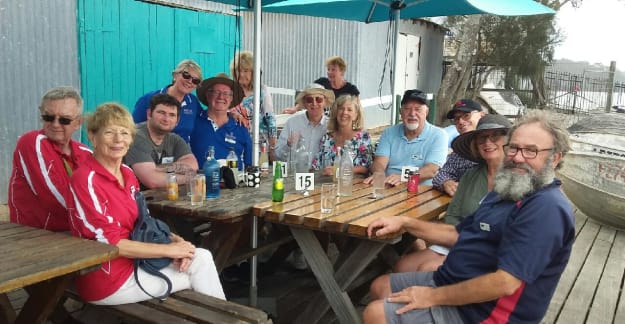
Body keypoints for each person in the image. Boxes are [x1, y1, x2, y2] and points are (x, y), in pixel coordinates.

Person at [364, 111, 574, 324]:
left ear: (555, 158)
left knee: (376, 314)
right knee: (380, 286)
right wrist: (405, 222)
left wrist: (432, 296)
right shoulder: (507, 188)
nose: (518, 157)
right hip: (452, 278)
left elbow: (505, 282)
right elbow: (457, 233)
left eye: (531, 151)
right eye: (514, 148)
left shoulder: (546, 207)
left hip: (482, 311)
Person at [69, 102, 225, 305]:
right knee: (200, 269)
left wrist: (176, 243)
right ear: (92, 136)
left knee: (199, 257)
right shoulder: (86, 179)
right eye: (109, 133)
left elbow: (145, 222)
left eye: (124, 133)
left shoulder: (127, 173)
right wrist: (169, 251)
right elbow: (108, 243)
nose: (118, 140)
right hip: (109, 280)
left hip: (139, 263)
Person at [394, 114, 511, 273]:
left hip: (491, 249)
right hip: (458, 239)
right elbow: (452, 216)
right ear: (475, 144)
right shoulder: (471, 175)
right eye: (482, 137)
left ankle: (426, 295)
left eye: (495, 136)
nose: (487, 142)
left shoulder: (518, 180)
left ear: (509, 142)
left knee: (427, 268)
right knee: (402, 266)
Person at [8, 86, 92, 231]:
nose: (55, 124)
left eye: (64, 120)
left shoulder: (85, 152)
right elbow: (55, 198)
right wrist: (98, 216)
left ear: (78, 123)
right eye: (48, 117)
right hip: (36, 235)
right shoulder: (32, 142)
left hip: (78, 229)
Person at [364, 89, 447, 186]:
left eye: (418, 109)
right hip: (389, 187)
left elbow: (431, 170)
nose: (412, 114)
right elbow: (379, 162)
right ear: (400, 112)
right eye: (407, 109)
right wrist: (379, 174)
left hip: (422, 191)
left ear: (427, 112)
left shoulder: (439, 135)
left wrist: (402, 177)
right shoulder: (389, 133)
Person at [125, 94, 198, 189]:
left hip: (160, 198)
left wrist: (157, 169)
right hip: (132, 199)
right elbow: (152, 181)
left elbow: (193, 166)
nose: (166, 119)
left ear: (177, 120)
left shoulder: (174, 139)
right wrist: (188, 178)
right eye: (161, 113)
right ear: (149, 114)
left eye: (172, 115)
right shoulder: (136, 136)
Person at [133, 59, 202, 143]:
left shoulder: (193, 102)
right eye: (186, 75)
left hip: (181, 152)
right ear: (175, 75)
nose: (190, 81)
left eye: (195, 80)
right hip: (151, 150)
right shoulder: (149, 99)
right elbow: (133, 129)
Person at [190, 74, 251, 168]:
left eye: (226, 93)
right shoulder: (193, 122)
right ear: (207, 95)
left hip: (234, 181)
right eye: (216, 92)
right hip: (200, 181)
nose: (221, 97)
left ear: (231, 98)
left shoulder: (240, 126)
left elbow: (250, 164)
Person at [432, 99, 485, 196]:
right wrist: (447, 183)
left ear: (482, 115)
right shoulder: (460, 150)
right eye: (456, 119)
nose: (460, 121)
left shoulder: (494, 146)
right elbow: (441, 175)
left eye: (466, 115)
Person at [274, 83, 335, 169]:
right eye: (309, 100)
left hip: (322, 178)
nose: (314, 103)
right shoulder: (292, 123)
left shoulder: (331, 126)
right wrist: (288, 145)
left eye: (319, 99)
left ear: (325, 102)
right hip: (294, 176)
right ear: (304, 103)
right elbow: (277, 156)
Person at [311, 94, 373, 176]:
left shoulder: (363, 137)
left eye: (349, 110)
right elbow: (316, 166)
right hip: (326, 184)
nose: (344, 112)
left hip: (354, 185)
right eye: (341, 109)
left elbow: (367, 168)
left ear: (355, 115)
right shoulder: (327, 138)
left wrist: (340, 170)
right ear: (336, 112)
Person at [229, 51, 278, 154]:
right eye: (239, 70)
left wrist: (273, 148)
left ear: (254, 72)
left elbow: (271, 120)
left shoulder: (262, 91)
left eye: (246, 70)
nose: (242, 74)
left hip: (259, 148)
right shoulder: (229, 91)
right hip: (235, 147)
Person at [282, 56, 359, 114]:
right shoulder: (321, 83)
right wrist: (295, 109)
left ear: (342, 72)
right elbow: (307, 96)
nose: (329, 72)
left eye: (333, 70)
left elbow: (358, 109)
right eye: (328, 69)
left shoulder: (351, 90)